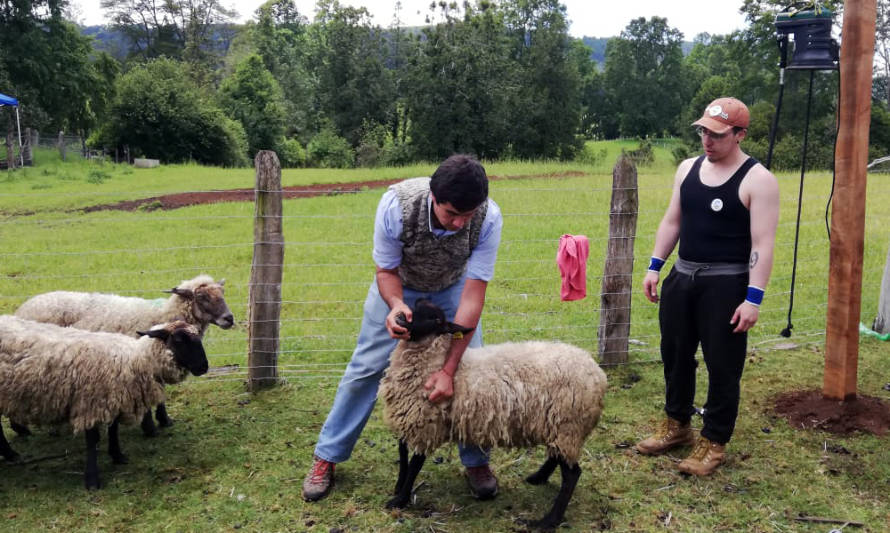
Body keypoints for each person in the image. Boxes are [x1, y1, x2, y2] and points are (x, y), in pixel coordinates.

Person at [302, 154, 503, 501]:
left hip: (454, 288)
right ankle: (327, 456)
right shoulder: (396, 205)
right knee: (366, 368)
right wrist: (396, 306)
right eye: (451, 214)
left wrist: (449, 368)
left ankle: (476, 460)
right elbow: (385, 272)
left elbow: (473, 295)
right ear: (433, 198)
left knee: (472, 372)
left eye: (466, 216)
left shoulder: (489, 218)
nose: (459, 224)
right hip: (400, 285)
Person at [635, 97, 779, 476]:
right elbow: (672, 221)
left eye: (716, 135)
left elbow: (763, 244)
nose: (707, 141)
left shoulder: (758, 180)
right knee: (675, 354)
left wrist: (753, 299)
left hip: (727, 285)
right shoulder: (687, 169)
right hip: (682, 278)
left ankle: (714, 441)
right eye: (703, 132)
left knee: (723, 366)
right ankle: (677, 425)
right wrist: (655, 267)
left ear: (740, 134)